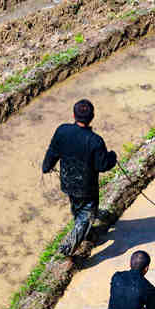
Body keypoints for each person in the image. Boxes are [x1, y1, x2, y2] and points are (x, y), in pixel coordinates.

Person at [42, 99, 117, 257]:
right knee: (87, 214)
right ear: (92, 117)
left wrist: (46, 167)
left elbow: (53, 152)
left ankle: (86, 233)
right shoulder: (95, 141)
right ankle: (69, 247)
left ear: (74, 115)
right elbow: (102, 166)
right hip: (87, 187)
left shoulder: (62, 130)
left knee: (77, 207)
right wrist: (112, 157)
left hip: (68, 181)